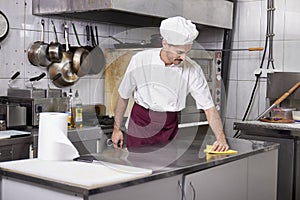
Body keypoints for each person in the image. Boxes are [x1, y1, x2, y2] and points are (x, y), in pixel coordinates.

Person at [112, 16, 229, 152]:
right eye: (179, 52)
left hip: (169, 125)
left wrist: (221, 138)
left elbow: (209, 108)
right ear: (165, 43)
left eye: (187, 52)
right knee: (139, 168)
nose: (184, 58)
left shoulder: (193, 69)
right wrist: (116, 129)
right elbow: (123, 96)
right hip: (141, 124)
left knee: (169, 170)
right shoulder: (140, 60)